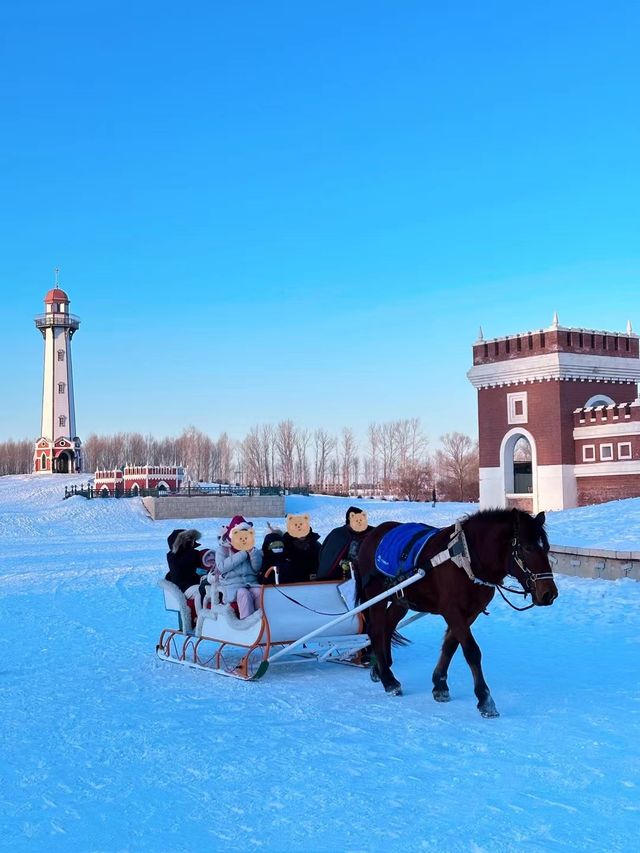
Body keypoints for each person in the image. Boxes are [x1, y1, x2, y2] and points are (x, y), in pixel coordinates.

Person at [215, 516, 263, 618]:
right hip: (232, 586)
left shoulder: (252, 549)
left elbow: (256, 568)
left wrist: (253, 554)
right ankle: (247, 623)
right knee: (243, 593)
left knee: (261, 592)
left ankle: (261, 621)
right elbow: (221, 567)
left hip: (251, 583)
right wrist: (243, 554)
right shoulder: (223, 550)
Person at [317, 506, 374, 580]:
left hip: (367, 577)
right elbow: (327, 558)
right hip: (340, 579)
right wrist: (341, 562)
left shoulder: (373, 534)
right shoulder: (338, 534)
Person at [165, 528, 206, 603]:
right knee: (201, 593)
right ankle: (202, 613)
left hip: (198, 583)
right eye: (190, 540)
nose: (192, 542)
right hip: (185, 587)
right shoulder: (174, 556)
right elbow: (183, 570)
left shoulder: (193, 553)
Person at [280, 513, 322, 582]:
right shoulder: (285, 544)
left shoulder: (315, 545)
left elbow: (319, 562)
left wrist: (315, 573)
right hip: (290, 583)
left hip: (311, 582)